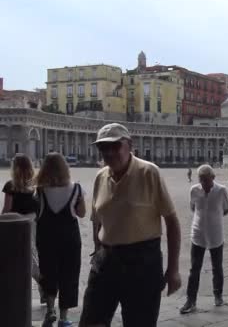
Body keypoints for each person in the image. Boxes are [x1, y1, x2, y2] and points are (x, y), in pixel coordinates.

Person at [79, 123, 182, 327]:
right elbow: (96, 219)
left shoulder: (149, 172)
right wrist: (98, 248)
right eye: (103, 148)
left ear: (129, 145)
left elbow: (172, 221)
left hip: (142, 262)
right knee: (91, 321)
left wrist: (173, 269)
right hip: (106, 260)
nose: (109, 152)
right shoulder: (101, 176)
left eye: (115, 146)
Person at [35, 153, 86, 327]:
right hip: (70, 239)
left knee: (48, 274)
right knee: (69, 276)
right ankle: (64, 318)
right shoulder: (76, 189)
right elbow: (81, 213)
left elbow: (37, 215)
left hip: (47, 239)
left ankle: (50, 311)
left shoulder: (40, 190)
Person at [180, 165, 228, 314]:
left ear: (213, 178)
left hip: (216, 233)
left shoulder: (221, 190)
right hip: (198, 233)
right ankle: (191, 300)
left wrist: (213, 217)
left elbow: (226, 209)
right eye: (201, 180)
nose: (203, 184)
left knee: (217, 267)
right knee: (194, 269)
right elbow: (193, 208)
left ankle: (218, 295)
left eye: (206, 180)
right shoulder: (194, 190)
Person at [1, 154, 44, 304]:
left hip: (15, 225)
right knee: (32, 255)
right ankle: (42, 286)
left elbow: (6, 209)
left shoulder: (11, 186)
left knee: (24, 257)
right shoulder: (36, 187)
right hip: (34, 223)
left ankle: (41, 282)